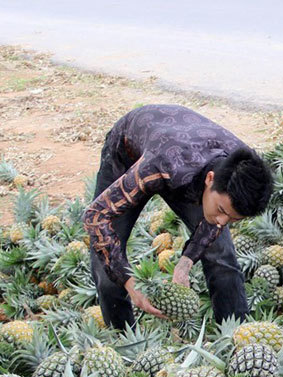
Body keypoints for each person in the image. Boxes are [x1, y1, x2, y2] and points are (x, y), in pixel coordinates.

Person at [83, 104, 273, 329]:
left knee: (221, 254)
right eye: (222, 211)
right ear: (210, 180)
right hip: (131, 151)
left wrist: (185, 264)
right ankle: (122, 338)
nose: (223, 222)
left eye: (233, 219)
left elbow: (218, 219)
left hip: (188, 162)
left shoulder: (241, 168)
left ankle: (236, 334)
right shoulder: (161, 166)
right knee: (105, 263)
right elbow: (95, 217)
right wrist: (130, 283)